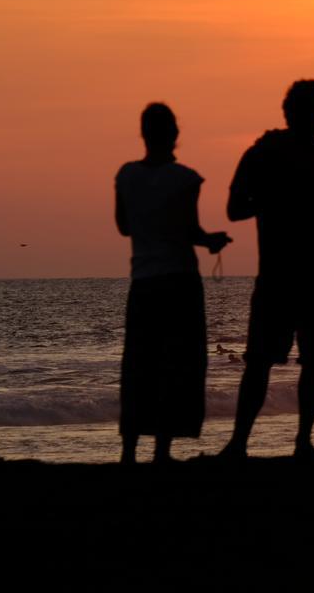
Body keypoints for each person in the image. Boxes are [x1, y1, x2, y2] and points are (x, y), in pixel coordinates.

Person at [220, 80, 314, 458]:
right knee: (296, 361)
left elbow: (235, 209)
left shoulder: (264, 155)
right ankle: (293, 443)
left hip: (292, 273)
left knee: (271, 360)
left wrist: (276, 204)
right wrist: (308, 215)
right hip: (310, 273)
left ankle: (245, 444)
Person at [115, 103, 231, 464]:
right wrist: (211, 241)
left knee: (139, 365)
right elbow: (189, 230)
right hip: (179, 280)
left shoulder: (127, 176)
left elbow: (123, 226)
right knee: (176, 364)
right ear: (175, 135)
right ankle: (162, 451)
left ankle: (129, 451)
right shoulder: (185, 179)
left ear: (143, 133)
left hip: (144, 281)